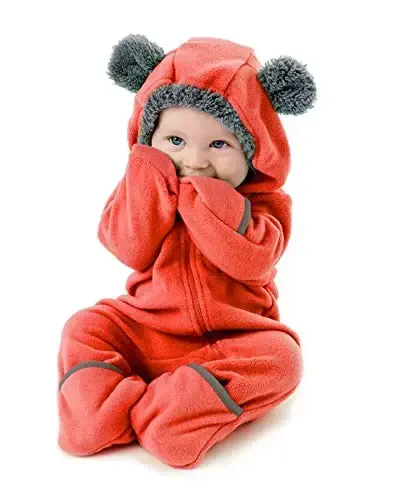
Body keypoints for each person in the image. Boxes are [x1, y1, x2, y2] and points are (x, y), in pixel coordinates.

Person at [57, 34, 317, 469]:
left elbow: (252, 261)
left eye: (219, 145)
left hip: (232, 340)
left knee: (283, 360)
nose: (194, 160)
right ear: (149, 136)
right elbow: (129, 248)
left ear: (253, 150)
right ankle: (97, 415)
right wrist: (149, 176)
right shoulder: (145, 184)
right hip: (147, 327)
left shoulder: (267, 206)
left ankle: (169, 416)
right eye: (175, 140)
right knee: (85, 325)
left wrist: (205, 200)